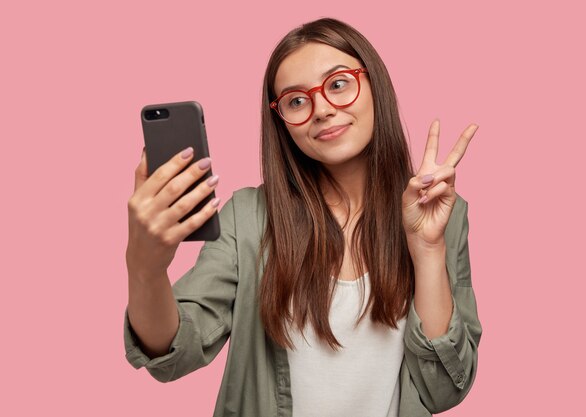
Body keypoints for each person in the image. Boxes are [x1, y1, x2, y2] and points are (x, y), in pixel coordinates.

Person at [123, 17, 483, 417]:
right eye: (296, 100)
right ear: (281, 122)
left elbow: (444, 390)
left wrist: (428, 249)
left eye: (339, 84)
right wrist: (145, 269)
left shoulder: (441, 213)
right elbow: (173, 351)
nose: (322, 110)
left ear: (374, 84)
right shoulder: (249, 217)